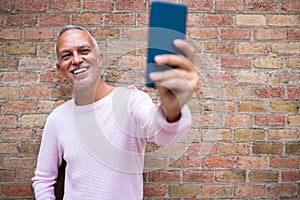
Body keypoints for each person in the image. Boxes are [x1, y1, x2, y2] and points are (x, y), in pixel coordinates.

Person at [32, 25, 200, 199]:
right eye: (67, 55)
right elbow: (43, 179)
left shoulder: (131, 101)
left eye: (84, 50)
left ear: (100, 58)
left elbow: (163, 134)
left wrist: (171, 109)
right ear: (60, 69)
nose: (76, 59)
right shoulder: (57, 118)